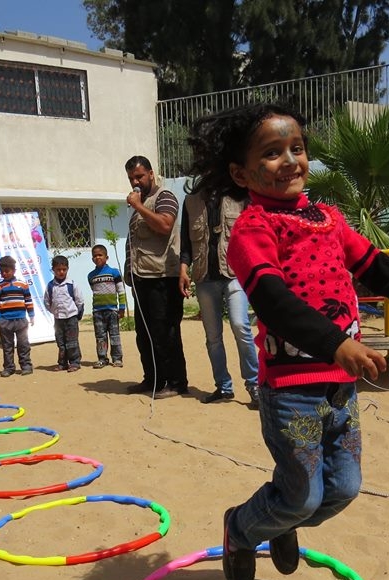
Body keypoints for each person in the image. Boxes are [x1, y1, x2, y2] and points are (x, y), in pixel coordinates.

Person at [185, 104, 389, 580]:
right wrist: (337, 343)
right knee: (301, 496)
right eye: (272, 153)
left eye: (296, 148)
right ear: (241, 172)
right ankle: (240, 529)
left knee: (344, 489)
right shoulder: (253, 229)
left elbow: (376, 266)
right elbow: (273, 301)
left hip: (340, 388)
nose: (290, 160)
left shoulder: (329, 219)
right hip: (292, 390)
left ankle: (278, 525)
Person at [179, 189, 260, 408]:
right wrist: (183, 269)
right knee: (213, 337)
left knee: (240, 325)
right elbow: (186, 242)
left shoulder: (241, 197)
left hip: (234, 274)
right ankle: (223, 386)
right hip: (205, 277)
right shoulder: (191, 201)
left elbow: (254, 235)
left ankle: (255, 385)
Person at [123, 155, 188, 399]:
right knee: (144, 334)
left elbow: (164, 225)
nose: (135, 182)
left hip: (162, 277)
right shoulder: (141, 201)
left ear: (151, 173)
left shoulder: (164, 197)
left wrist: (139, 206)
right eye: (131, 178)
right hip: (141, 279)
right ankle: (153, 379)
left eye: (139, 176)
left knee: (165, 332)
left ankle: (176, 382)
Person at [0, 255, 34, 377]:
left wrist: (31, 315)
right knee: (7, 346)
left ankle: (26, 366)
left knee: (23, 344)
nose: (4, 274)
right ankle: (9, 368)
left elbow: (28, 300)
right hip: (5, 321)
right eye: (2, 272)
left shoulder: (22, 285)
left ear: (14, 270)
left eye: (7, 271)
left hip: (21, 320)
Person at [43, 255, 85, 372]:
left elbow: (79, 301)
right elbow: (46, 301)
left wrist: (77, 314)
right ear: (53, 270)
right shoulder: (50, 286)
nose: (61, 272)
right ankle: (62, 363)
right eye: (58, 270)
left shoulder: (72, 285)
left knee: (72, 341)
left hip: (71, 318)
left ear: (67, 269)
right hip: (58, 319)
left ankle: (75, 362)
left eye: (64, 269)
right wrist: (54, 311)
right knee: (60, 342)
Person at [88, 244, 126, 368]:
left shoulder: (114, 272)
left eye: (100, 255)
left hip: (112, 310)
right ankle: (102, 358)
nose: (97, 257)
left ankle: (117, 359)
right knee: (100, 336)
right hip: (97, 312)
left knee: (114, 335)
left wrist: (122, 308)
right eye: (95, 256)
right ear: (92, 258)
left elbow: (121, 290)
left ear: (106, 257)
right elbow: (94, 290)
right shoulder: (91, 275)